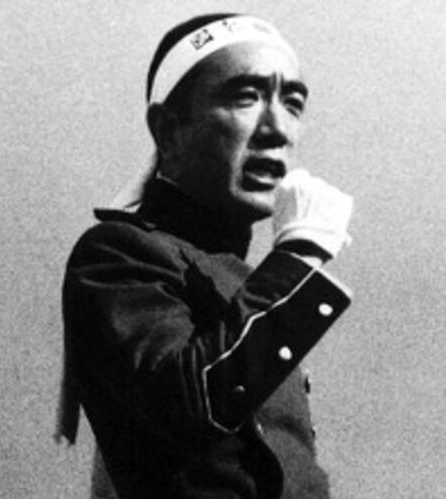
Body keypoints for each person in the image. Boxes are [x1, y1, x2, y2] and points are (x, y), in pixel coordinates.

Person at [58, 12, 354, 498]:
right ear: (168, 130)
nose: (278, 128)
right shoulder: (116, 254)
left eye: (293, 103)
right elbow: (191, 405)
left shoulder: (247, 282)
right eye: (247, 96)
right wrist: (300, 255)